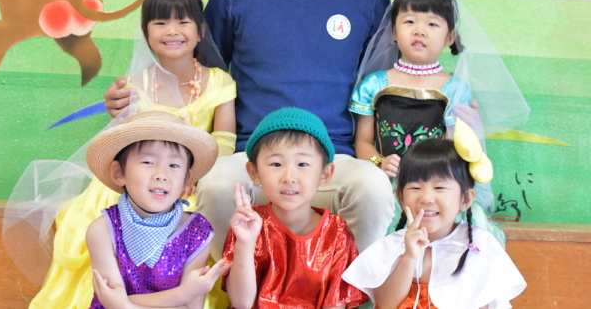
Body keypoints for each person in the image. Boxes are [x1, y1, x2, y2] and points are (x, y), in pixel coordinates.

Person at [104, 0, 394, 255]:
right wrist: (136, 97)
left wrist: (445, 104)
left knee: (374, 189)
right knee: (217, 185)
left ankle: (351, 289)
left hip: (335, 158)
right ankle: (231, 287)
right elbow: (198, 71)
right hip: (250, 156)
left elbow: (385, 84)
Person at [4, 0, 236, 309]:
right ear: (146, 31)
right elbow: (127, 143)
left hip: (189, 178)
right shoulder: (135, 84)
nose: (172, 31)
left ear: (201, 30)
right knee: (91, 218)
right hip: (140, 179)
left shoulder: (220, 82)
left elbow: (224, 140)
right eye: (160, 22)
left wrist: (196, 177)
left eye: (183, 21)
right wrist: (119, 117)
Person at [349, 0, 528, 241]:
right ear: (393, 31)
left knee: (473, 226)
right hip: (389, 185)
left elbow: (451, 145)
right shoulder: (374, 85)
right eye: (409, 21)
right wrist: (379, 162)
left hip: (435, 187)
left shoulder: (454, 88)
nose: (419, 30)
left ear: (450, 37)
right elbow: (362, 141)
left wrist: (430, 180)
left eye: (432, 24)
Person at [342, 138, 526, 309]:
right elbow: (385, 305)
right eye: (415, 188)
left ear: (466, 199)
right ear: (400, 197)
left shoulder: (480, 244)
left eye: (439, 187)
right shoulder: (393, 244)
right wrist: (408, 258)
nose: (426, 198)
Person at [221, 107, 369, 309]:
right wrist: (245, 244)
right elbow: (241, 303)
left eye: (303, 164)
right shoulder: (247, 224)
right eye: (276, 164)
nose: (289, 177)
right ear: (254, 172)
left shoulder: (337, 232)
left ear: (325, 174)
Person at [85, 111, 229, 309]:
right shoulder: (102, 230)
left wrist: (126, 305)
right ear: (119, 173)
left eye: (174, 165)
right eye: (148, 162)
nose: (161, 174)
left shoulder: (197, 232)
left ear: (186, 179)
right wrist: (184, 293)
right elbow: (111, 302)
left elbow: (190, 308)